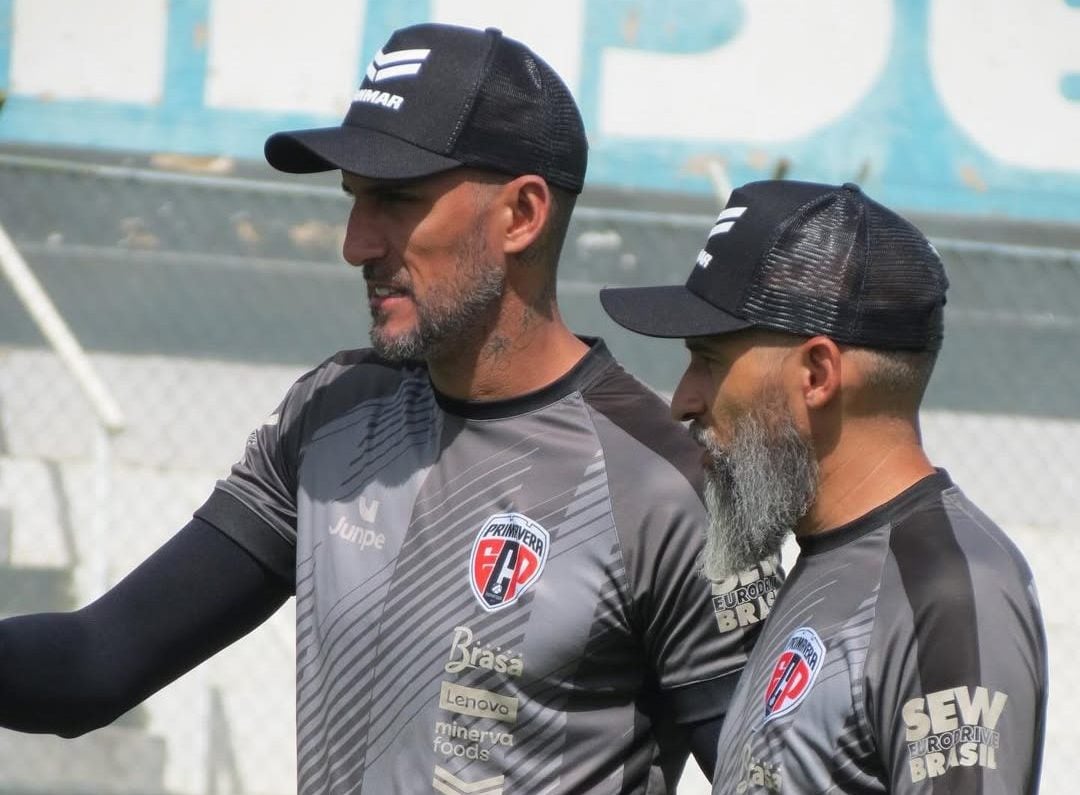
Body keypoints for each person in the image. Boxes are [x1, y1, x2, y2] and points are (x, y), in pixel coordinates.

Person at [0, 23, 782, 794]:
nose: (355, 243)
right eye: (353, 200)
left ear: (522, 215)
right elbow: (96, 663)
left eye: (396, 201)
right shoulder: (330, 413)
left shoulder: (674, 485)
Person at [600, 179, 1048, 794]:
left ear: (817, 373)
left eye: (708, 360)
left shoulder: (946, 592)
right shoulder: (829, 562)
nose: (682, 402)